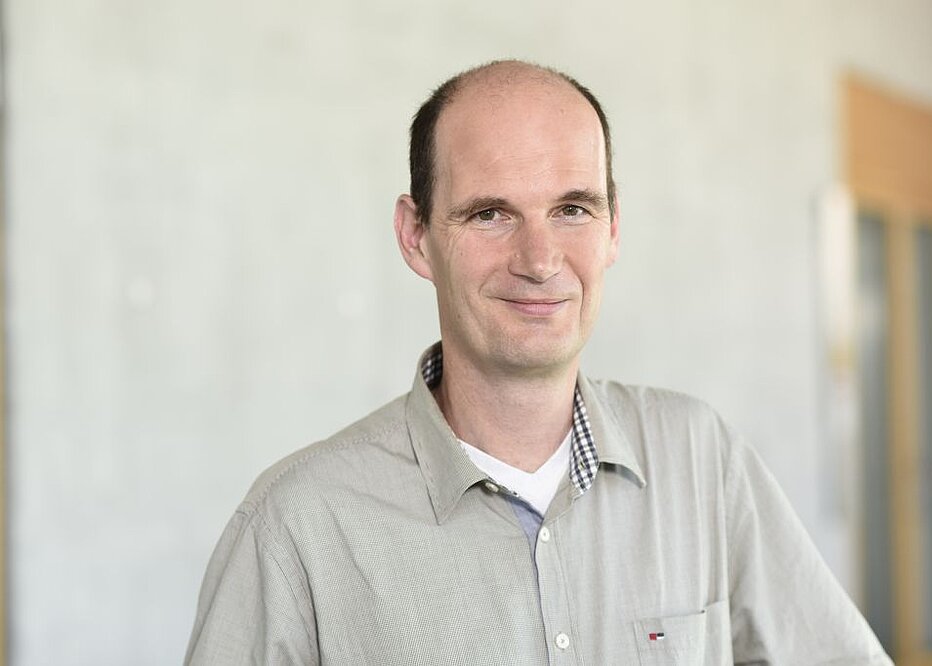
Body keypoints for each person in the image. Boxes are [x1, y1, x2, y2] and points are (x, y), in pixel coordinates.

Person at [186, 60, 891, 665]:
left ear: (613, 228)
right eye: (490, 214)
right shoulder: (298, 525)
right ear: (416, 236)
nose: (540, 260)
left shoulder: (701, 463)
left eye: (573, 209)